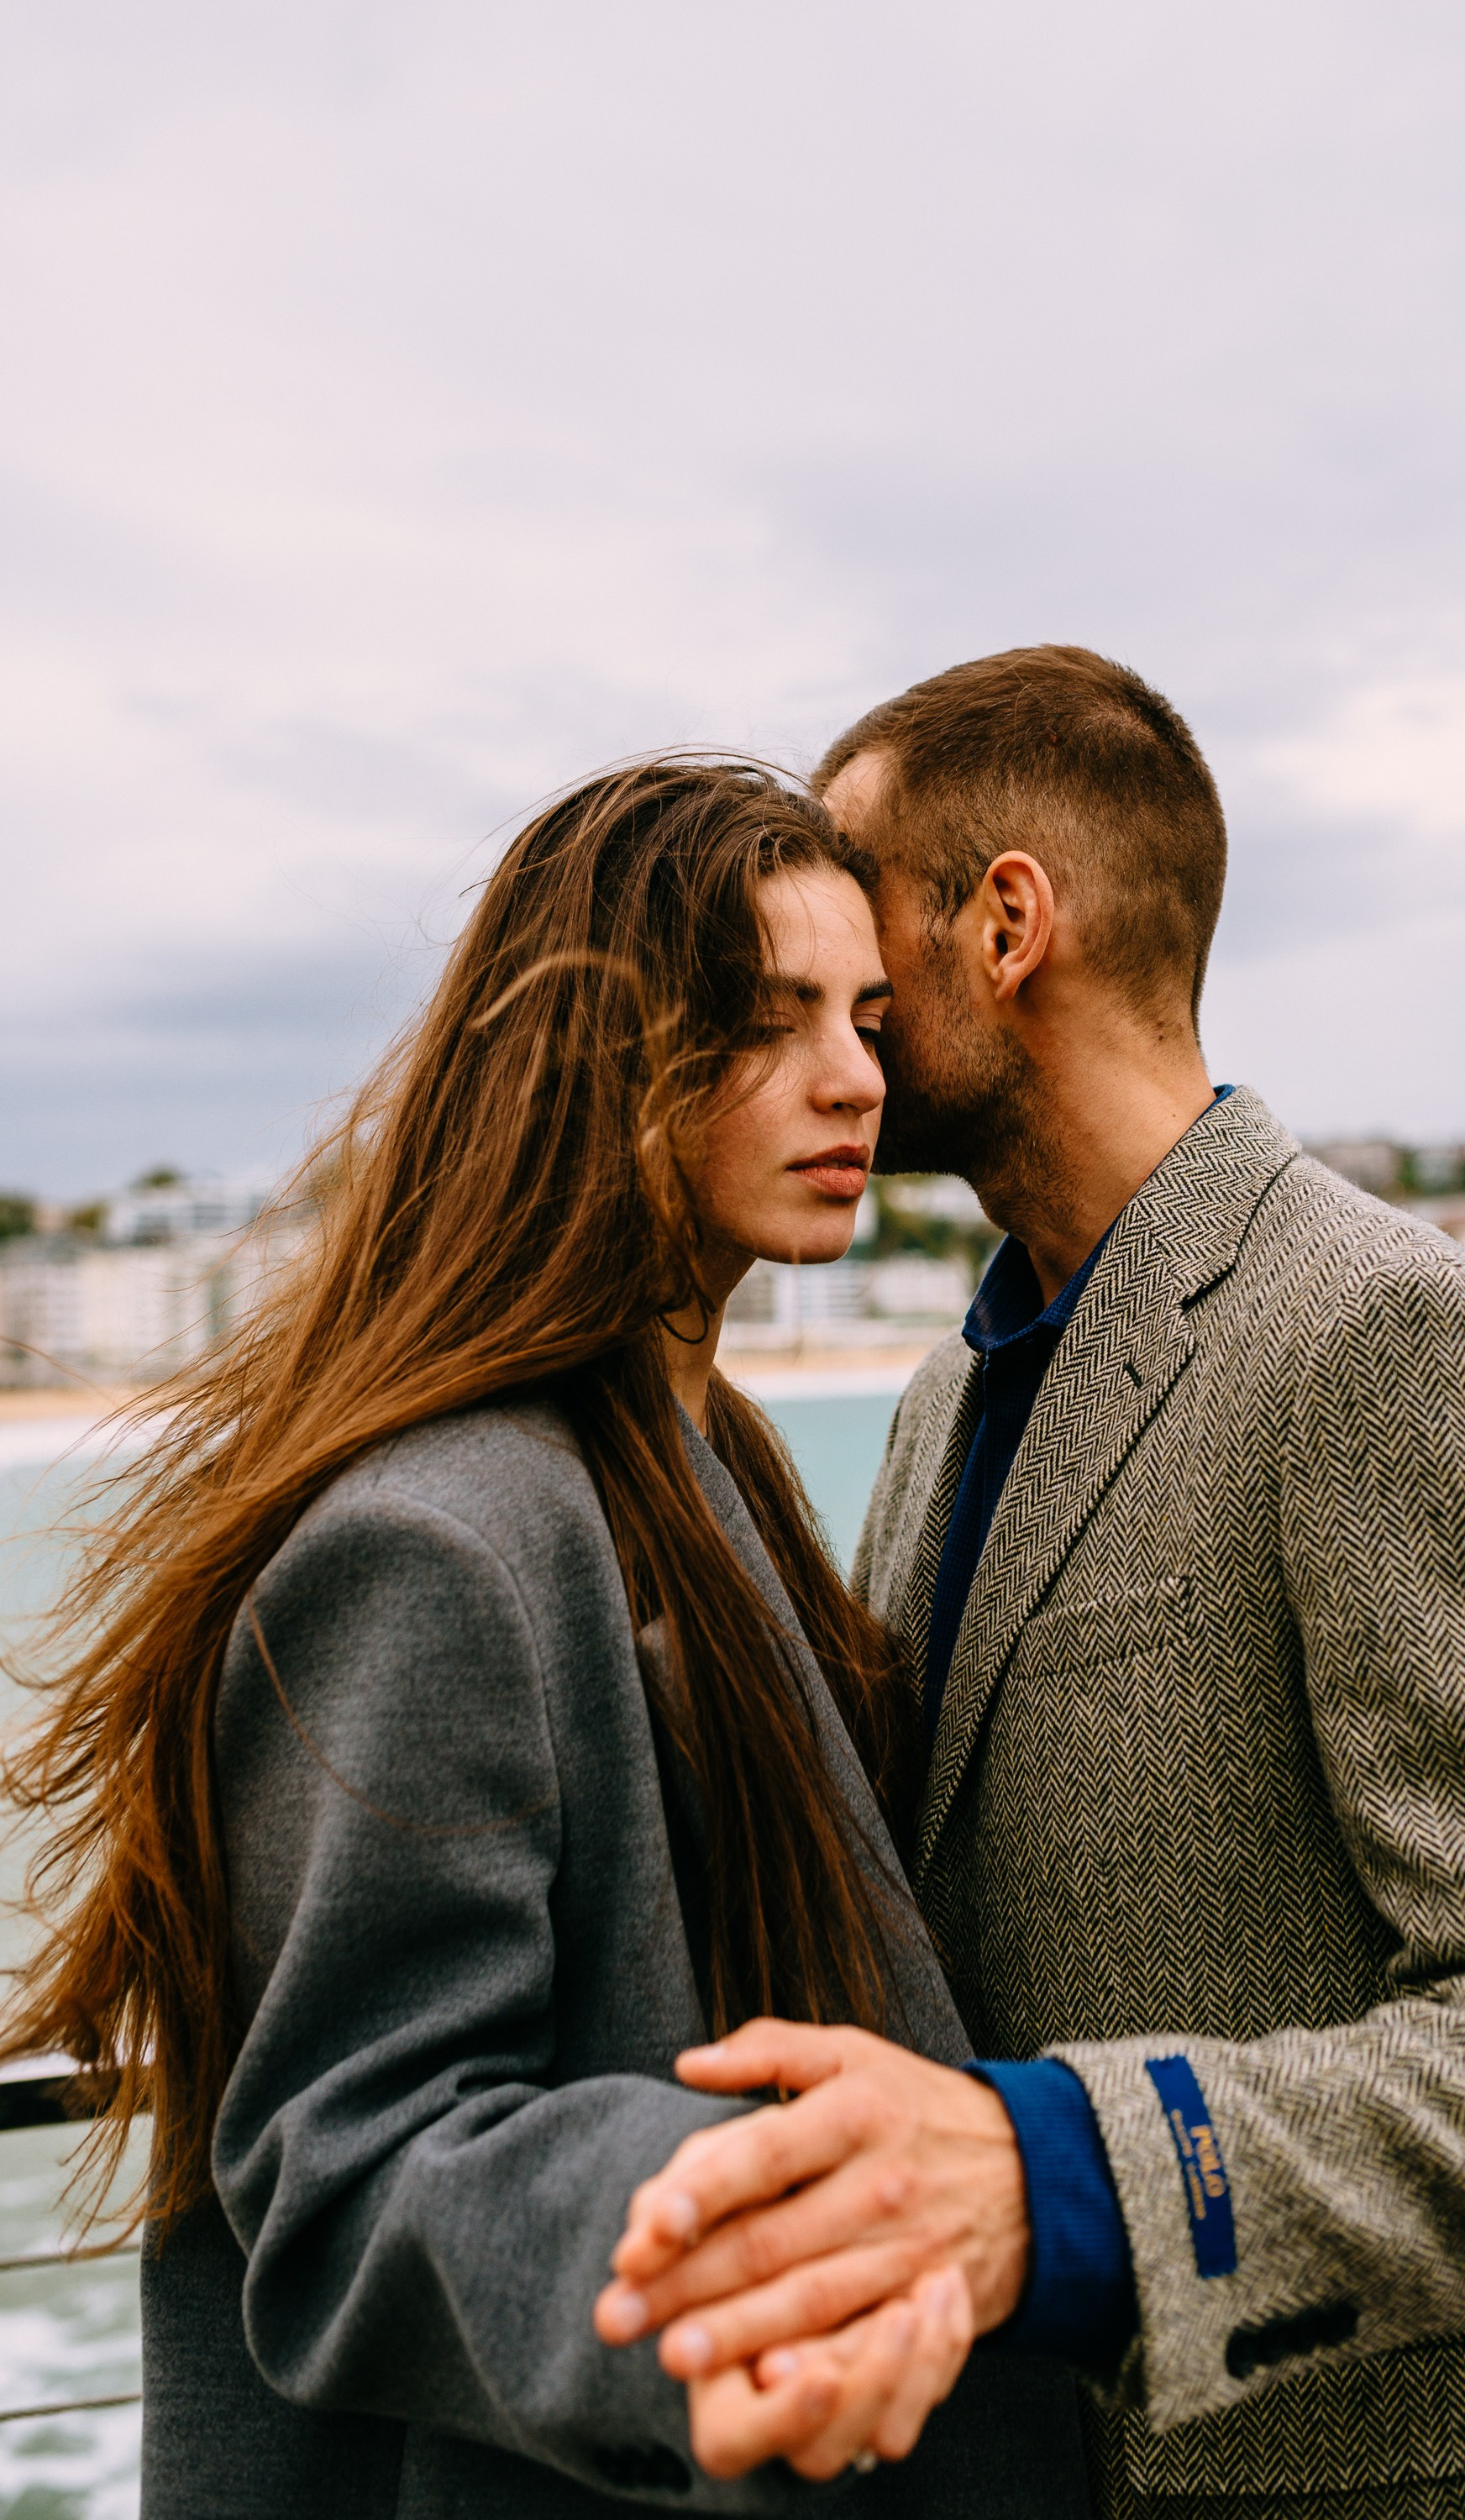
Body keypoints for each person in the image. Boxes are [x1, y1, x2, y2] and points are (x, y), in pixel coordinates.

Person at [594, 650, 1465, 2518]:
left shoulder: (1380, 1341)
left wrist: (1066, 2180)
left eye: (864, 910)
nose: (828, 1010)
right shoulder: (946, 1401)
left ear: (1005, 920)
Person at [3, 759, 1090, 2517]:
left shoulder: (696, 1443)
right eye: (770, 1020)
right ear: (606, 1060)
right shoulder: (438, 1539)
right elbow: (346, 2163)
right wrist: (746, 2236)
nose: (855, 1079)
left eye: (868, 1017)